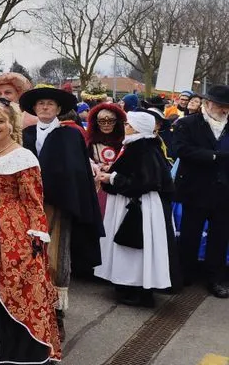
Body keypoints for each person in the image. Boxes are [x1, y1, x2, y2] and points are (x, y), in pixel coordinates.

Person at [0, 99, 61, 365]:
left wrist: (36, 235)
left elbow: (35, 202)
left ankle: (18, 362)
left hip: (13, 234)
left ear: (12, 124)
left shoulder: (23, 157)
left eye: (0, 121)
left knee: (15, 292)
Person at [20, 87, 103, 340]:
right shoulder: (25, 134)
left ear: (58, 109)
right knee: (29, 257)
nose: (45, 108)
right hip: (28, 208)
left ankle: (56, 313)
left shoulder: (69, 135)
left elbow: (77, 173)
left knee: (56, 259)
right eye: (41, 104)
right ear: (34, 109)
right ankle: (30, 307)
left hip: (59, 208)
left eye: (50, 104)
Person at [94, 111, 180, 307]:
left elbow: (146, 181)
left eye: (128, 124)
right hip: (131, 203)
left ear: (136, 127)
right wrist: (113, 171)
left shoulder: (143, 147)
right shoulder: (139, 144)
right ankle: (128, 286)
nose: (125, 127)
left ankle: (137, 289)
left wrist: (113, 178)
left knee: (134, 249)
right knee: (131, 246)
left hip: (138, 205)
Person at [171, 86, 229, 298]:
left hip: (224, 191)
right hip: (195, 189)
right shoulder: (187, 124)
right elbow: (179, 149)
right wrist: (214, 156)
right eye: (220, 105)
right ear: (207, 103)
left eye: (227, 107)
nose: (224, 110)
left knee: (220, 237)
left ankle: (215, 277)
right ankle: (186, 273)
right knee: (189, 233)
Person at [86, 103, 127, 217]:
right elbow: (86, 160)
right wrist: (96, 167)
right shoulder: (91, 142)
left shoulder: (124, 142)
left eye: (110, 122)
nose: (106, 125)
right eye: (102, 122)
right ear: (96, 123)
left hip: (117, 183)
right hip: (98, 183)